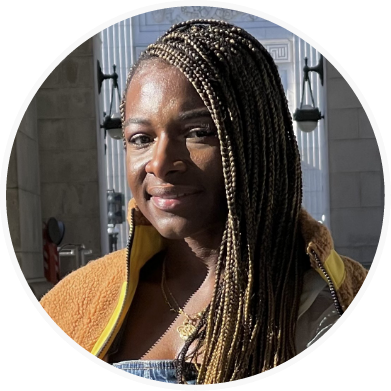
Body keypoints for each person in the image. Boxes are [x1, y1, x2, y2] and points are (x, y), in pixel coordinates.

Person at [40, 19, 368, 384]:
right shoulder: (76, 299)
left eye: (198, 133)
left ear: (258, 143)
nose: (161, 163)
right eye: (141, 138)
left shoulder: (328, 302)